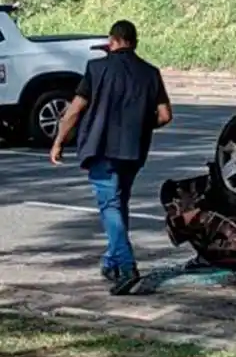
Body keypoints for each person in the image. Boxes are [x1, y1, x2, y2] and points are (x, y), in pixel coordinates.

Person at [49, 20, 173, 294]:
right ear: (134, 41)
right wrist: (141, 124)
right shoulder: (150, 73)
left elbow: (74, 111)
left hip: (102, 147)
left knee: (110, 205)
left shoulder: (97, 68)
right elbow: (165, 115)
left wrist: (59, 141)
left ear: (112, 41)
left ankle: (127, 267)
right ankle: (111, 261)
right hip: (134, 150)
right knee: (119, 204)